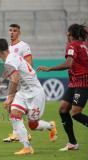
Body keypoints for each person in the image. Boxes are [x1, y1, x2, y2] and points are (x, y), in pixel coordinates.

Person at [0, 38, 57, 155]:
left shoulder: (10, 60)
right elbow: (10, 71)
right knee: (14, 115)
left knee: (33, 125)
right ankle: (27, 147)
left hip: (35, 93)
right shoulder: (12, 57)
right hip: (23, 92)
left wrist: (10, 97)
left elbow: (15, 78)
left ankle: (50, 125)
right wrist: (1, 79)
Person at [37, 23, 88, 151]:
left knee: (75, 113)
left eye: (68, 33)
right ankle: (72, 143)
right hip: (74, 82)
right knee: (63, 109)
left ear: (71, 34)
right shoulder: (82, 44)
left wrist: (49, 69)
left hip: (82, 82)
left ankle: (72, 142)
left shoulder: (73, 45)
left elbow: (69, 64)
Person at [0, 24, 33, 143]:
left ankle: (21, 133)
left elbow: (29, 63)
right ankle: (17, 133)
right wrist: (2, 78)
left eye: (15, 31)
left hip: (21, 81)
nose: (12, 32)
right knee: (10, 107)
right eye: (10, 30)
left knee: (12, 105)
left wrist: (22, 77)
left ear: (19, 33)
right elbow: (8, 66)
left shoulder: (23, 46)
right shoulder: (8, 48)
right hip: (13, 80)